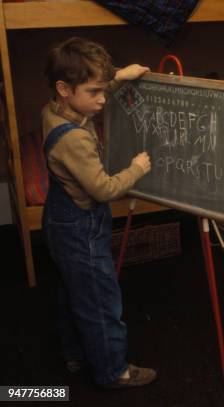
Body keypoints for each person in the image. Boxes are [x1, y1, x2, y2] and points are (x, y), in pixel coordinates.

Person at [42, 37, 155, 389]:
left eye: (103, 89)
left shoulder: (53, 108)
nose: (103, 100)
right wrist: (137, 168)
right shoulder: (73, 139)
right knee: (100, 300)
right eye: (94, 92)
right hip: (80, 225)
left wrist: (120, 74)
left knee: (71, 291)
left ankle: (74, 353)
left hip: (59, 218)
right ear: (64, 89)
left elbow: (93, 86)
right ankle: (113, 371)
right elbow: (104, 189)